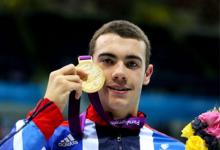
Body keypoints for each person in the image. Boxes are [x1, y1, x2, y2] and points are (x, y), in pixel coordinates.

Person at [0, 20, 185, 150]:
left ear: (147, 74)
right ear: (89, 68)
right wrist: (47, 111)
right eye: (108, 60)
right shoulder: (53, 139)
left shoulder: (174, 147)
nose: (119, 73)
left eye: (132, 64)